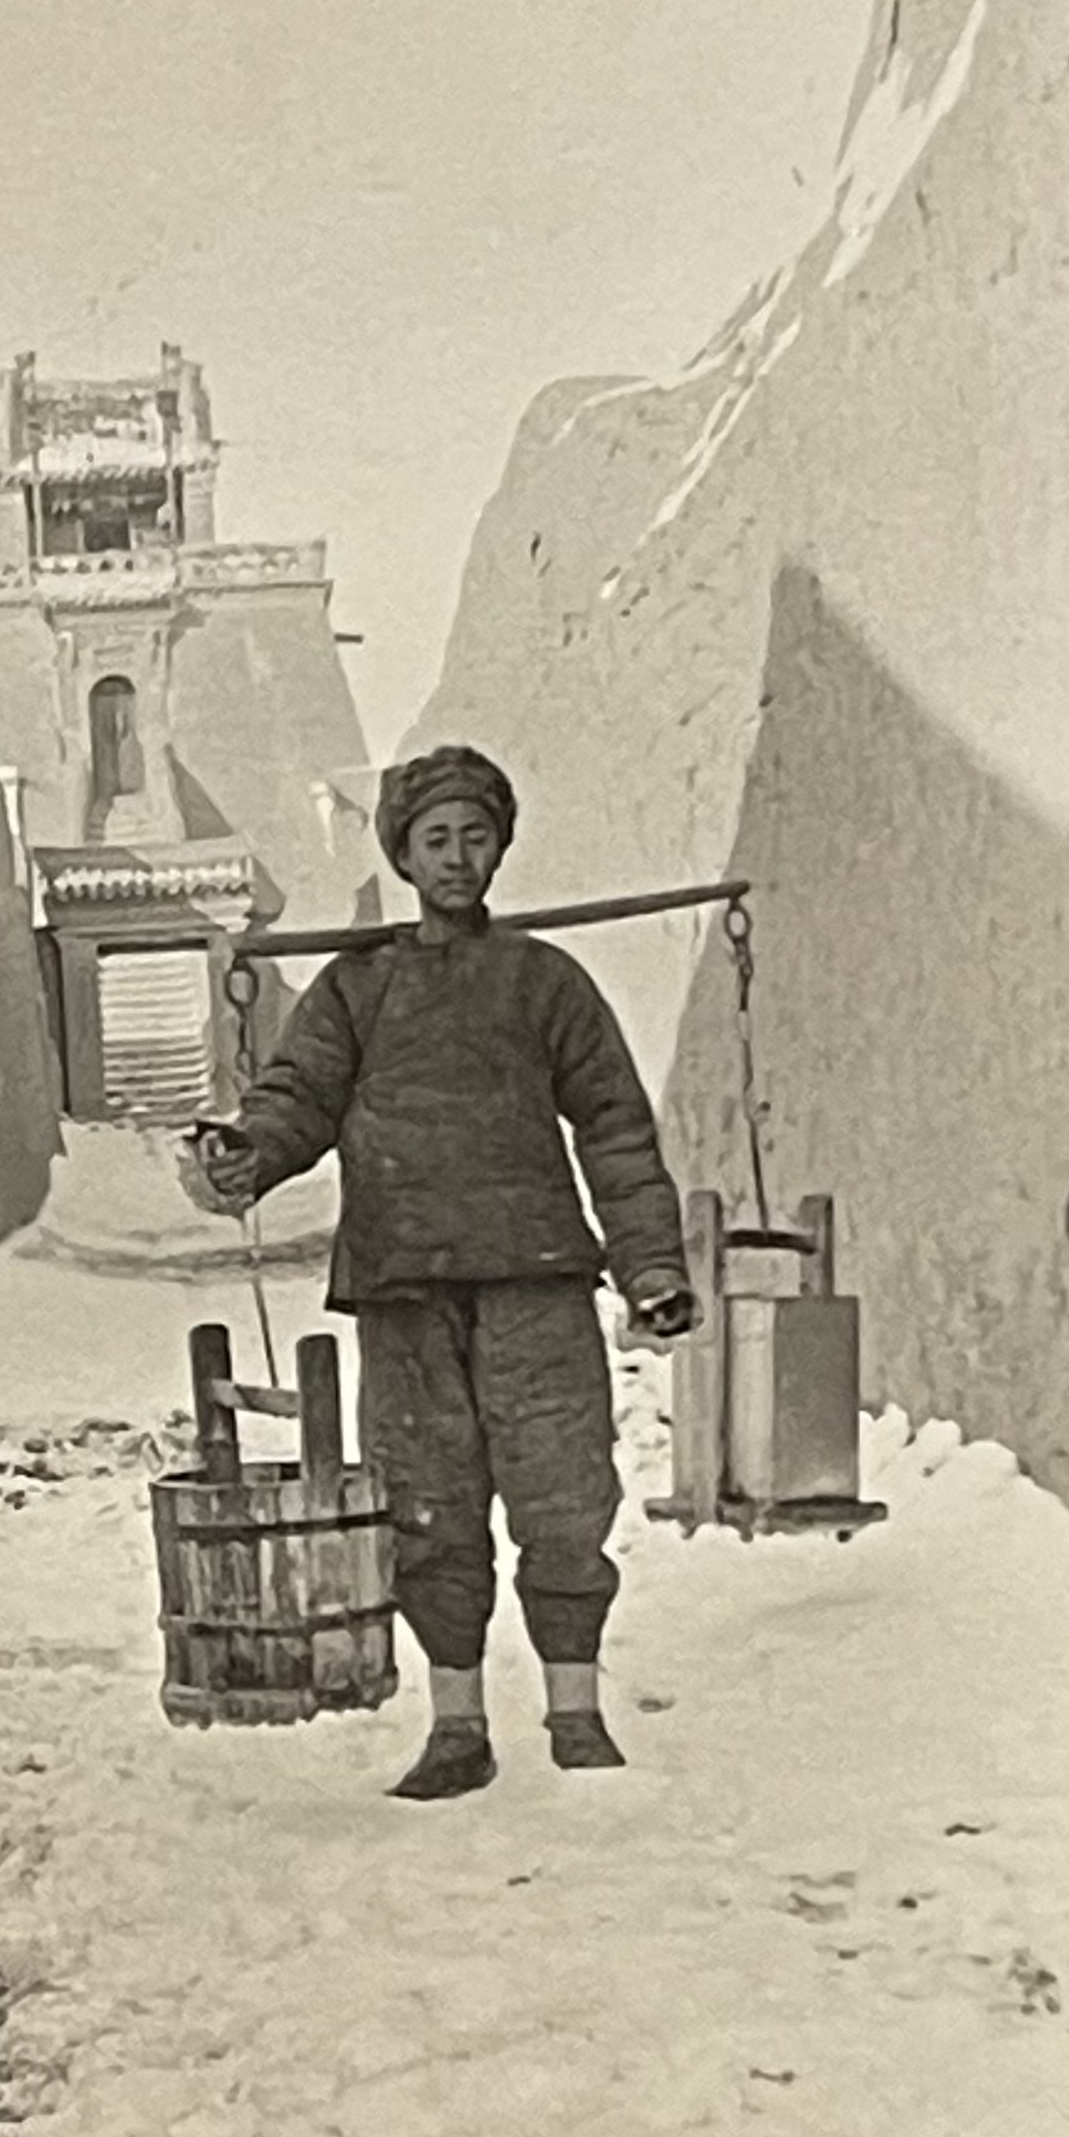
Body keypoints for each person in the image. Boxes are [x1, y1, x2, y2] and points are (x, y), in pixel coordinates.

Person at [190, 745, 698, 1801]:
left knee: (563, 1496)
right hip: (405, 1284)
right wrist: (248, 1151)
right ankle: (456, 1726)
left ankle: (575, 1711)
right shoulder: (357, 988)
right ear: (405, 855)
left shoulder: (545, 981)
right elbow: (296, 1098)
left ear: (499, 847)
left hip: (537, 1279)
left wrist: (650, 1265)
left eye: (476, 837)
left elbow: (614, 1128)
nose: (458, 858)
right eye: (436, 840)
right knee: (428, 1506)